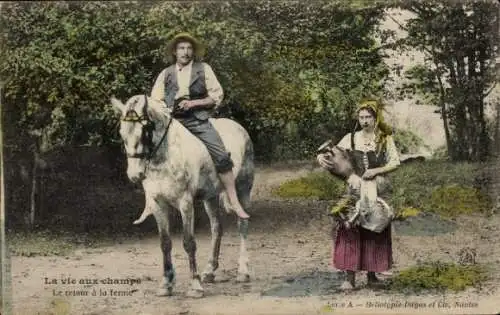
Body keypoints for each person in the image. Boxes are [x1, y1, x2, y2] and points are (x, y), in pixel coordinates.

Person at [150, 32, 250, 219]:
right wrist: (168, 109)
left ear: (193, 51)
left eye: (189, 48)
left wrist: (194, 103)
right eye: (181, 48)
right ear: (174, 51)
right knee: (148, 151)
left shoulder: (203, 69)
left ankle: (233, 199)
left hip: (198, 120)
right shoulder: (166, 73)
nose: (185, 52)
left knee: (220, 154)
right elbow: (155, 100)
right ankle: (151, 199)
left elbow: (216, 95)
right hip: (173, 122)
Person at [318, 98, 400, 290]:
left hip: (376, 187)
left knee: (374, 227)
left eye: (368, 117)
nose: (364, 121)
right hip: (354, 186)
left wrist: (376, 171)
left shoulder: (384, 138)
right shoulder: (351, 138)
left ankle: (372, 275)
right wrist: (321, 157)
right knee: (350, 227)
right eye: (361, 117)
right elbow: (332, 153)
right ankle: (349, 278)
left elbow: (395, 162)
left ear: (375, 118)